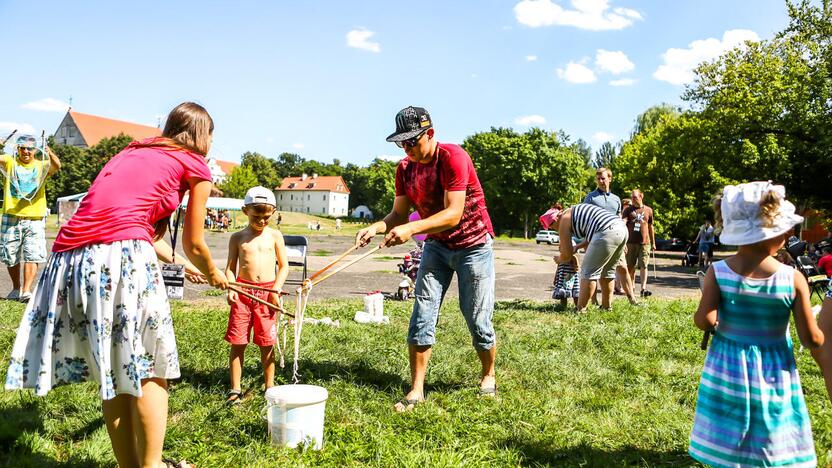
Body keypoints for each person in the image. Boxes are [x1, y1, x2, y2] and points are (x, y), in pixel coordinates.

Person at [4, 102, 228, 468]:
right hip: (120, 258)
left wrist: (183, 265)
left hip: (68, 259)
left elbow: (124, 218)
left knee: (116, 368)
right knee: (152, 366)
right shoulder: (194, 163)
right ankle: (153, 465)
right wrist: (216, 273)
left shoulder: (132, 152)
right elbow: (195, 241)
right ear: (202, 136)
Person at [356, 106, 497, 411]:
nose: (407, 150)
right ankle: (417, 388)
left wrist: (411, 228)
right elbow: (398, 214)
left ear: (429, 134)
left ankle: (488, 374)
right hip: (436, 246)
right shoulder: (405, 169)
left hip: (473, 244)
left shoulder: (452, 157)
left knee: (475, 316)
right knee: (423, 310)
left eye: (412, 142)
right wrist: (376, 227)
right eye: (402, 144)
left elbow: (452, 213)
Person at [690, 181, 823, 467]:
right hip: (775, 370)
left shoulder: (718, 271)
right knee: (771, 421)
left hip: (728, 367)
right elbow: (811, 339)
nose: (788, 236)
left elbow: (704, 319)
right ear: (773, 233)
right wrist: (819, 329)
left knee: (731, 418)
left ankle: (730, 458)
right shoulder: (793, 279)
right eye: (785, 231)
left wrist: (718, 321)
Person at [224, 186, 288, 404]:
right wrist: (232, 287)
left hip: (268, 294)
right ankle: (235, 388)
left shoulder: (275, 236)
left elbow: (284, 266)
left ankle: (270, 386)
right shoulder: (237, 238)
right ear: (245, 211)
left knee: (266, 342)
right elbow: (230, 268)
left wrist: (276, 289)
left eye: (266, 217)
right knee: (238, 342)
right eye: (256, 217)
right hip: (242, 293)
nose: (261, 221)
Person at [0, 134, 61, 302]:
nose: (26, 151)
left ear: (35, 150)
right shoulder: (10, 162)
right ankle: (15, 288)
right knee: (10, 254)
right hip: (11, 215)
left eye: (29, 148)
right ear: (17, 149)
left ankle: (26, 292)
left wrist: (50, 152)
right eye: (22, 148)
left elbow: (57, 166)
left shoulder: (41, 166)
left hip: (35, 217)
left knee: (32, 254)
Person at [549, 203, 638, 311]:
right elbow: (592, 235)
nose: (554, 229)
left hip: (606, 230)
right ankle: (606, 307)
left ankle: (581, 310)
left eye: (552, 226)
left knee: (588, 273)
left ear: (556, 218)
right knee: (608, 271)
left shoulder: (564, 219)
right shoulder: (574, 212)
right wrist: (578, 246)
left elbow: (567, 254)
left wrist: (560, 259)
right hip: (621, 229)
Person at [622, 189, 655, 297]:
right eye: (632, 197)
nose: (633, 199)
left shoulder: (648, 210)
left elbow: (650, 227)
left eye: (635, 197)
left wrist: (653, 242)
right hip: (630, 243)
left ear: (641, 196)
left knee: (643, 265)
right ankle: (631, 287)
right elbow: (623, 223)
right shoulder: (628, 210)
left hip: (645, 243)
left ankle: (643, 288)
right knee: (630, 267)